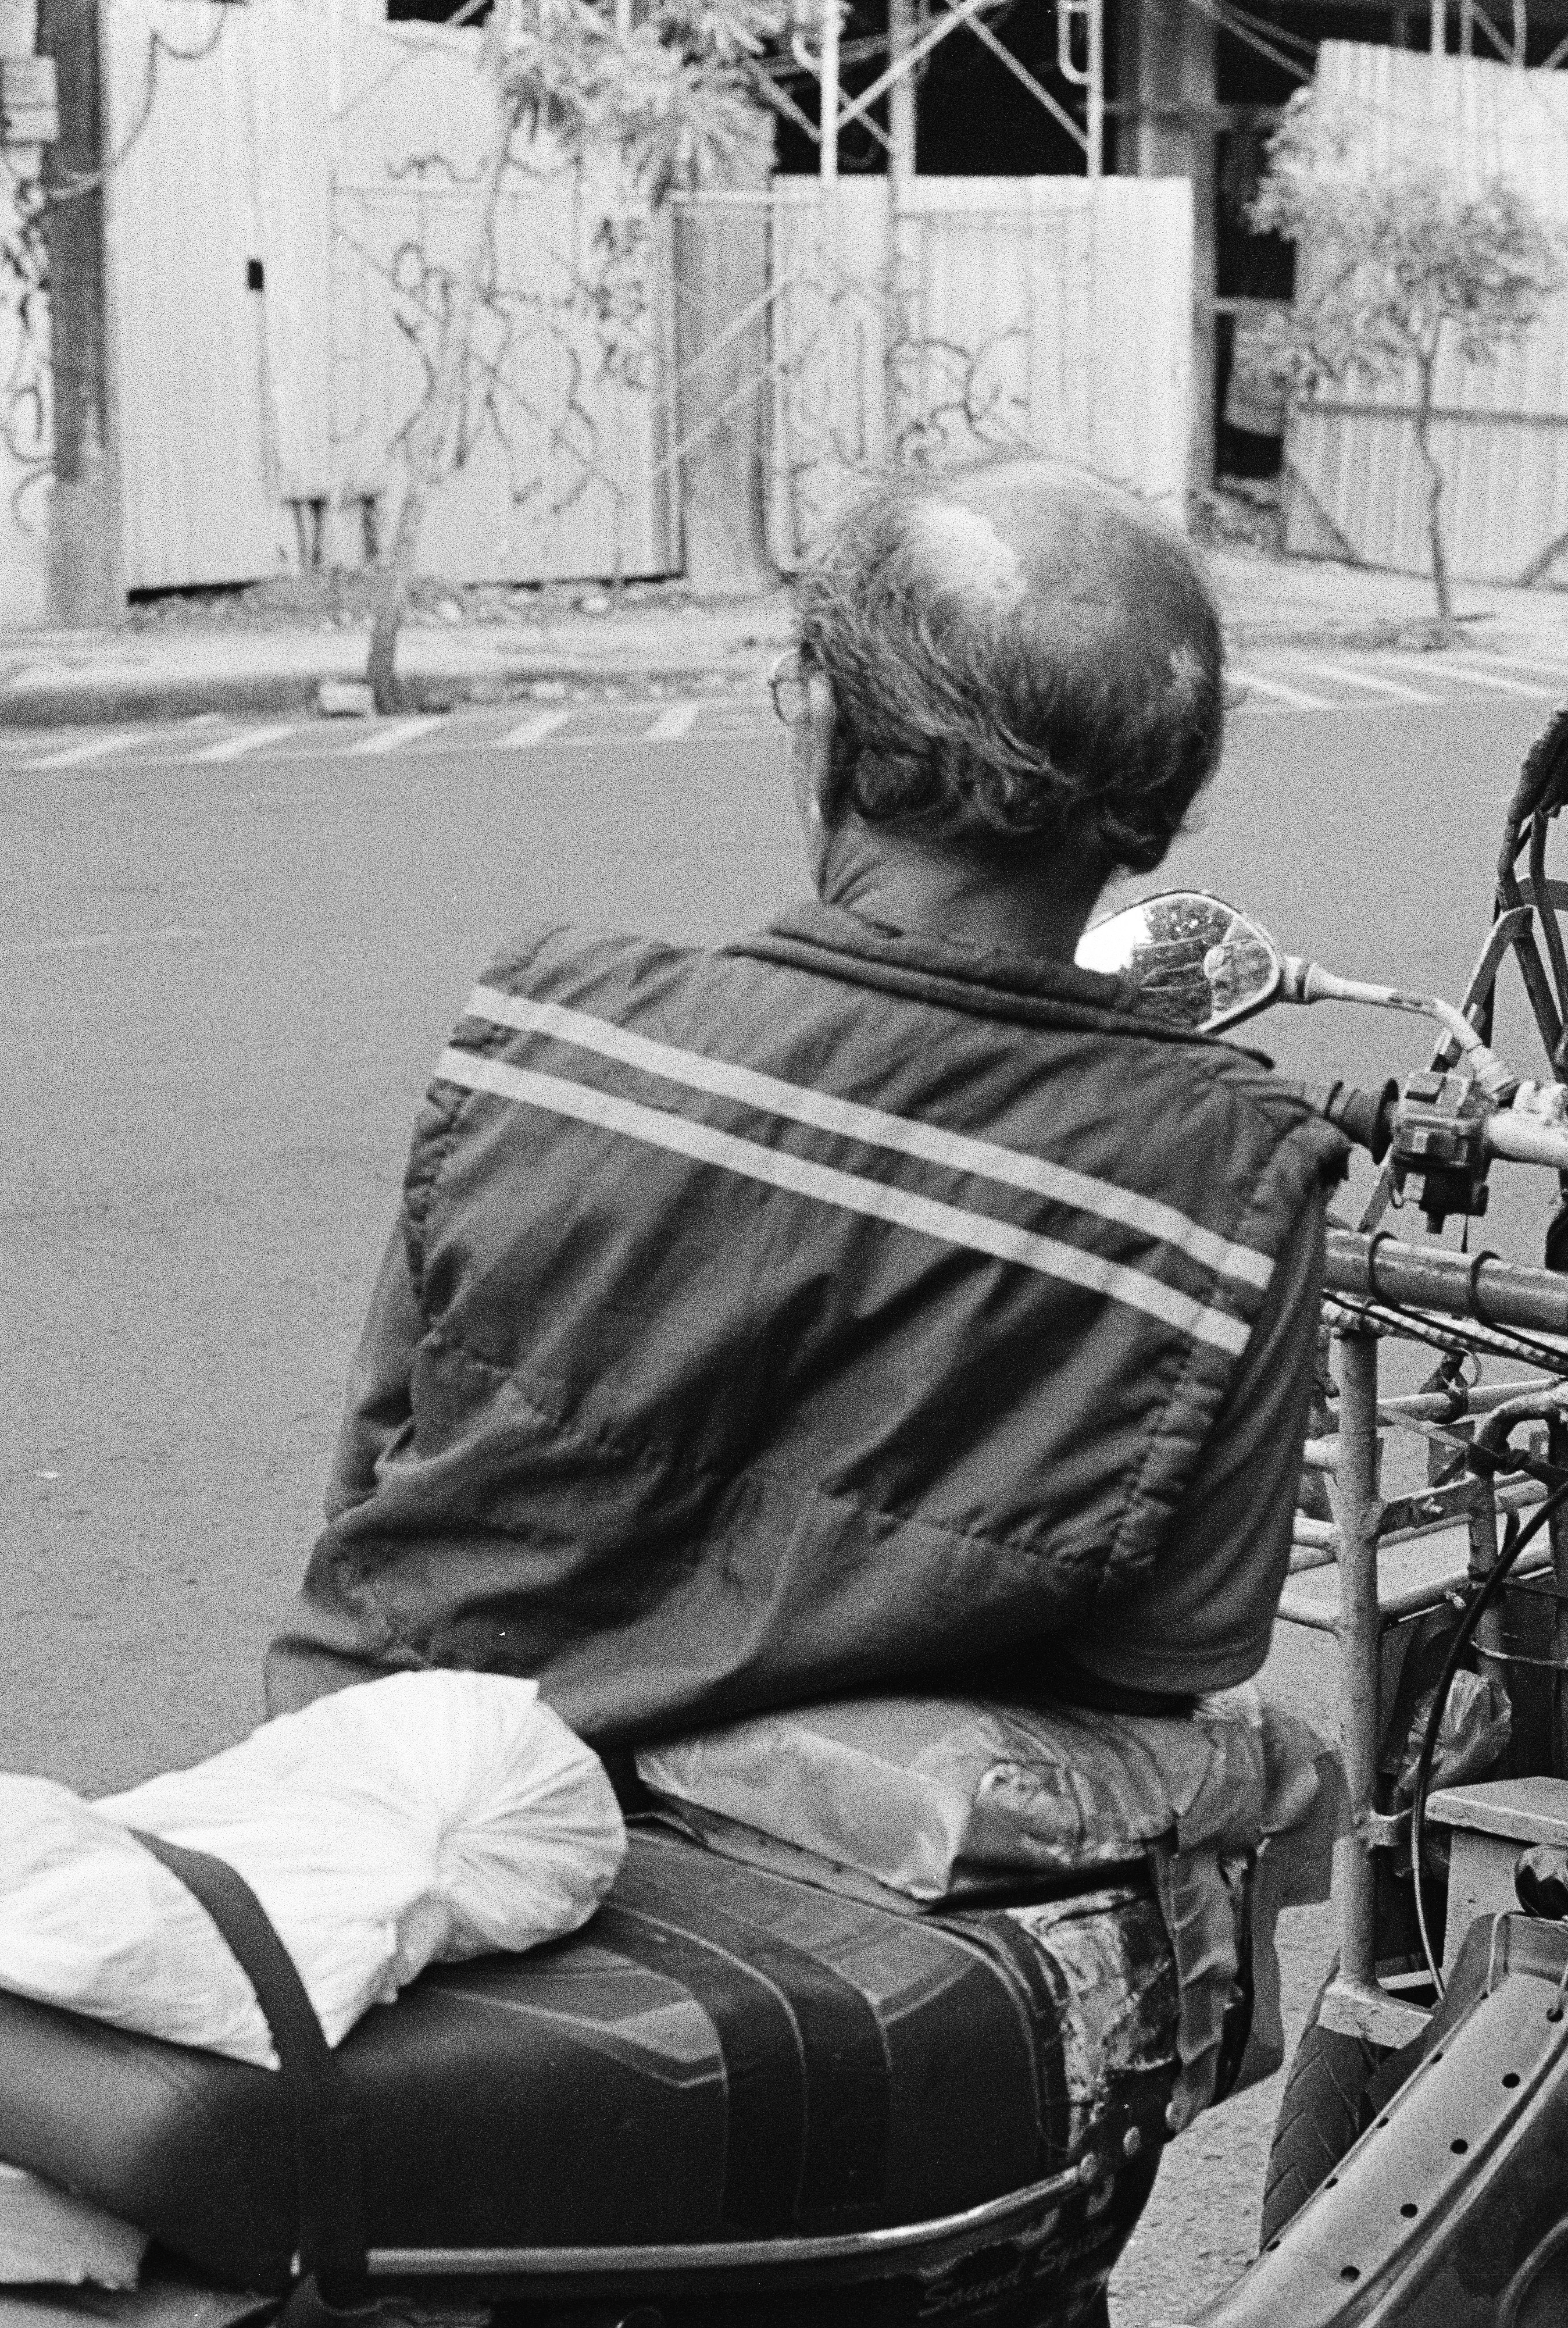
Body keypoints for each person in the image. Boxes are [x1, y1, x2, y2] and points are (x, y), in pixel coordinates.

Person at [269, 453, 1352, 1748]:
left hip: (371, 1793)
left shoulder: (542, 1031)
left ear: (829, 729)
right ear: (1159, 815)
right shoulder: (1228, 1183)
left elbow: (372, 1488)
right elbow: (1161, 1666)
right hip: (860, 1901)